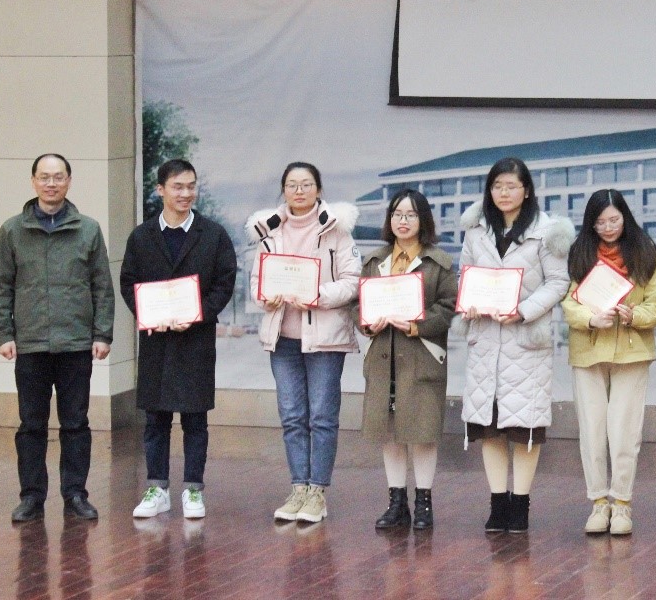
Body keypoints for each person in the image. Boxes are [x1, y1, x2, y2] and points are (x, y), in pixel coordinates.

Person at [0, 153, 114, 522]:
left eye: (58, 177)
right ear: (33, 181)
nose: (51, 184)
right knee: (31, 425)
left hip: (76, 342)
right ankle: (31, 497)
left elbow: (102, 287)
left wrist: (102, 334)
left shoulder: (88, 229)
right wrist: (4, 332)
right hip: (30, 344)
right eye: (44, 177)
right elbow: (0, 286)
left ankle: (75, 494)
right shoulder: (12, 231)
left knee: (75, 423)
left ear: (69, 181)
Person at [460, 157, 573, 533]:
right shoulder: (476, 230)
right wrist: (468, 302)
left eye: (511, 186)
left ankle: (520, 504)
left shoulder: (546, 232)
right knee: (489, 427)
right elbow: (465, 276)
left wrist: (523, 311)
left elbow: (558, 283)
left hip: (525, 341)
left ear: (527, 190)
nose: (504, 193)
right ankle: (498, 503)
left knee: (525, 430)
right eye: (497, 186)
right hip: (485, 339)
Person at [120, 159, 237, 520]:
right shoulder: (142, 236)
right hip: (156, 341)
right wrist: (146, 313)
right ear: (160, 190)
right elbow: (128, 282)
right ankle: (157, 488)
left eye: (191, 186)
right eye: (177, 187)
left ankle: (193, 489)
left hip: (195, 341)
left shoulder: (213, 234)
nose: (186, 193)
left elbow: (224, 283)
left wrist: (198, 313)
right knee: (155, 419)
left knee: (195, 420)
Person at [246, 162, 360, 524]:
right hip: (283, 340)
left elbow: (352, 281)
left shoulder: (336, 229)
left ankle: (317, 492)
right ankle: (298, 488)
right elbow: (256, 282)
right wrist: (266, 297)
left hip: (325, 340)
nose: (299, 191)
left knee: (322, 416)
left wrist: (318, 295)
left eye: (306, 184)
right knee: (292, 417)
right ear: (283, 190)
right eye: (292, 185)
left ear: (319, 189)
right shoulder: (269, 230)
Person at [560, 189, 656, 535]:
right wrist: (590, 319)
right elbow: (569, 302)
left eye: (614, 220)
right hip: (589, 350)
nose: (608, 227)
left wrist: (635, 315)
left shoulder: (645, 251)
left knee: (624, 430)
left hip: (632, 351)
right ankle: (598, 502)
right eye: (600, 222)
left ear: (625, 217)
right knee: (591, 429)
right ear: (590, 223)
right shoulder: (580, 252)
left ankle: (622, 503)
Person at [359, 189, 458, 531]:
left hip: (422, 355)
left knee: (423, 432)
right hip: (383, 357)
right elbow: (360, 305)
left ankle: (424, 504)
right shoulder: (374, 261)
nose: (403, 221)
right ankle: (396, 503)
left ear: (423, 220)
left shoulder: (439, 262)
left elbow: (448, 307)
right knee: (391, 433)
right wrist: (368, 323)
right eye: (397, 214)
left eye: (411, 215)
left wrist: (417, 324)